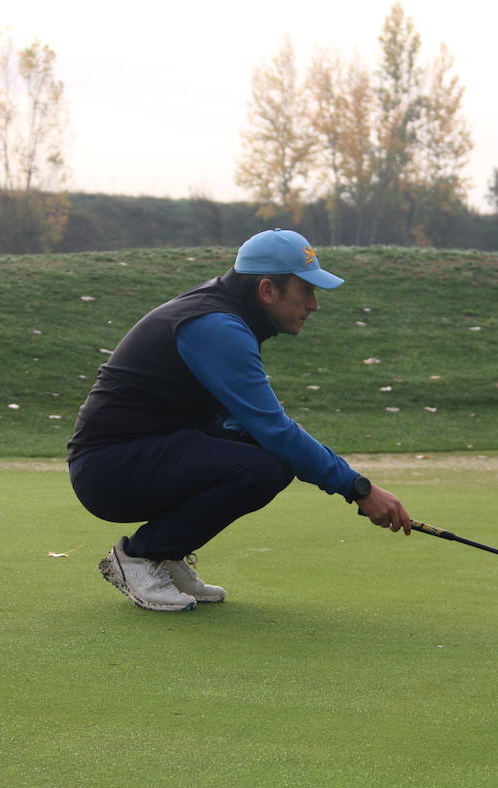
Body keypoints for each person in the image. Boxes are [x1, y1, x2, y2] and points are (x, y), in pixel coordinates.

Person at [67, 228, 412, 612]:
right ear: (267, 290)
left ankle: (165, 554)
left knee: (275, 457)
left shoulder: (224, 315)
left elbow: (253, 425)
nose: (314, 305)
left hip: (147, 453)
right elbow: (275, 430)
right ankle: (140, 557)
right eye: (306, 291)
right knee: (265, 465)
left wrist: (300, 452)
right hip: (109, 471)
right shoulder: (216, 326)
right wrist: (360, 488)